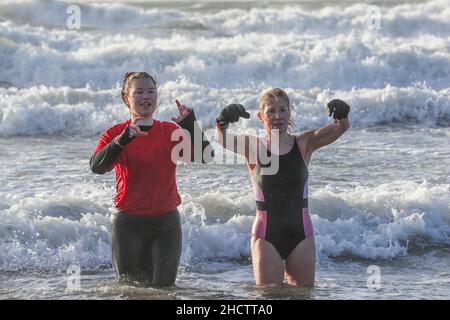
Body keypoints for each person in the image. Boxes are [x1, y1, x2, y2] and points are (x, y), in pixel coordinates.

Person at [214, 88, 350, 286]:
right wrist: (222, 120)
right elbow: (220, 138)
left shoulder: (304, 143)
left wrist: (342, 114)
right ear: (261, 116)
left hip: (301, 235)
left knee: (303, 295)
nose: (277, 116)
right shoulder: (253, 147)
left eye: (283, 110)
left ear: (289, 113)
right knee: (267, 296)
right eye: (271, 111)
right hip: (266, 236)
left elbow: (340, 127)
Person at [90, 71, 213, 287]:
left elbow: (206, 156)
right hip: (128, 225)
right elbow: (96, 166)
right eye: (139, 92)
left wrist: (191, 126)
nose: (146, 96)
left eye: (151, 91)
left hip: (166, 224)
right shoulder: (115, 133)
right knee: (131, 291)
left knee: (165, 291)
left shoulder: (169, 131)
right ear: (126, 98)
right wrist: (122, 140)